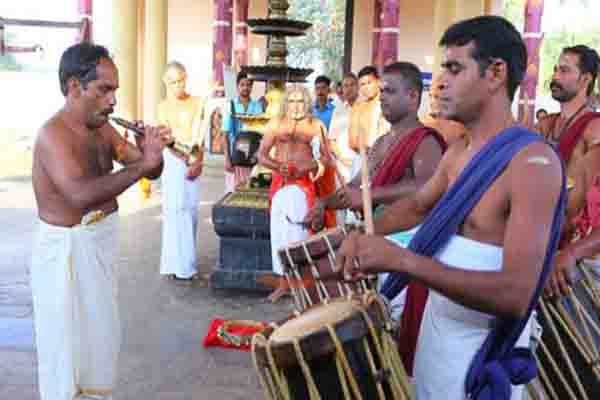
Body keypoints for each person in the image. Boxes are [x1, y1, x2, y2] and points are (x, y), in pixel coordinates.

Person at [336, 16, 565, 399]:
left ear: (495, 73)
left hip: (482, 365)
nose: (440, 81)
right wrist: (353, 239)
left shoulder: (531, 163)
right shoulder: (459, 151)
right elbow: (417, 207)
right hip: (438, 345)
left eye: (455, 68)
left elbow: (515, 294)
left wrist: (403, 261)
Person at [31, 43, 170, 400]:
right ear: (75, 86)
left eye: (114, 91)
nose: (112, 101)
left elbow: (148, 168)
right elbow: (78, 195)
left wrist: (150, 153)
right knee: (65, 349)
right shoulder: (53, 134)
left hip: (98, 247)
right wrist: (142, 165)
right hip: (65, 253)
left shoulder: (103, 129)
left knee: (101, 342)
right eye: (104, 90)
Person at [257, 85, 331, 303]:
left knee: (299, 235)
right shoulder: (275, 124)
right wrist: (276, 165)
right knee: (279, 235)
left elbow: (325, 158)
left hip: (303, 186)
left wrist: (307, 167)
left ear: (307, 103)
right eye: (292, 101)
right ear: (285, 103)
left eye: (300, 101)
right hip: (280, 185)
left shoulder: (315, 125)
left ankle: (302, 287)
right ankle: (283, 285)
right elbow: (261, 155)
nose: (296, 106)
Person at [540, 46, 600, 296]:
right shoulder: (544, 125)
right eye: (555, 69)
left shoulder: (595, 130)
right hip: (539, 242)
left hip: (575, 255)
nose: (555, 76)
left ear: (585, 79)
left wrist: (573, 252)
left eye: (564, 71)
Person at [157, 61, 207, 282]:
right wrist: (185, 157)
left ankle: (187, 263)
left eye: (180, 80)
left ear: (186, 77)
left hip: (193, 160)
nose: (177, 85)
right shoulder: (163, 107)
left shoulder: (198, 102)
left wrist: (197, 161)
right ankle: (173, 264)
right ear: (165, 83)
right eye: (172, 82)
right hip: (174, 162)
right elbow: (166, 140)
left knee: (191, 211)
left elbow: (201, 136)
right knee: (175, 211)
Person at [222, 71, 265, 192]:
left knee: (252, 191)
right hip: (235, 157)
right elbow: (224, 134)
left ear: (252, 87)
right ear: (237, 86)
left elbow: (261, 134)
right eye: (242, 84)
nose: (245, 88)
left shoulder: (257, 106)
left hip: (252, 157)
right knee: (233, 192)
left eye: (248, 85)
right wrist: (227, 159)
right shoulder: (230, 106)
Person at [348, 65, 390, 153]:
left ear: (378, 82)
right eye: (362, 84)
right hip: (363, 158)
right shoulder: (358, 107)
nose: (366, 87)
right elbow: (352, 142)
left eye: (369, 83)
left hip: (386, 157)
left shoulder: (389, 104)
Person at [328, 72, 360, 181]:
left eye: (352, 85)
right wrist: (341, 158)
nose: (349, 89)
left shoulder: (366, 108)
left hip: (362, 164)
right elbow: (332, 139)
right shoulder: (338, 110)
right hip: (341, 165)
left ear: (358, 87)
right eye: (346, 86)